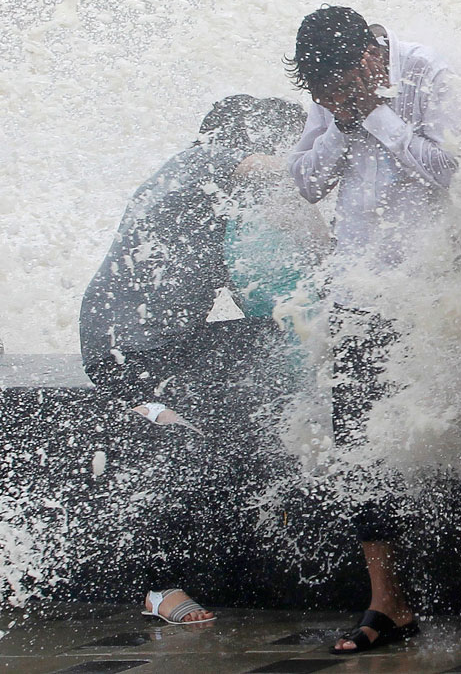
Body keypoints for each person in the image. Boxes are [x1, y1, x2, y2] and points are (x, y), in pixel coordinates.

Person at [79, 95, 310, 625]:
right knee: (180, 441)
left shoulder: (198, 191)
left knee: (273, 342)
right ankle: (156, 587)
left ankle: (280, 473)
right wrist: (336, 148)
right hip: (129, 349)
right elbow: (272, 171)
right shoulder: (206, 159)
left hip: (159, 341)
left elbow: (248, 278)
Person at [285, 5, 461, 654]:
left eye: (338, 87)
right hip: (359, 286)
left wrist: (378, 116)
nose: (331, 98)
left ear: (368, 57)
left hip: (433, 283)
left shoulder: (426, 70)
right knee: (358, 442)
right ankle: (389, 601)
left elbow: (449, 168)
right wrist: (339, 122)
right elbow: (305, 182)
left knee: (453, 430)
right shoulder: (331, 97)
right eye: (321, 93)